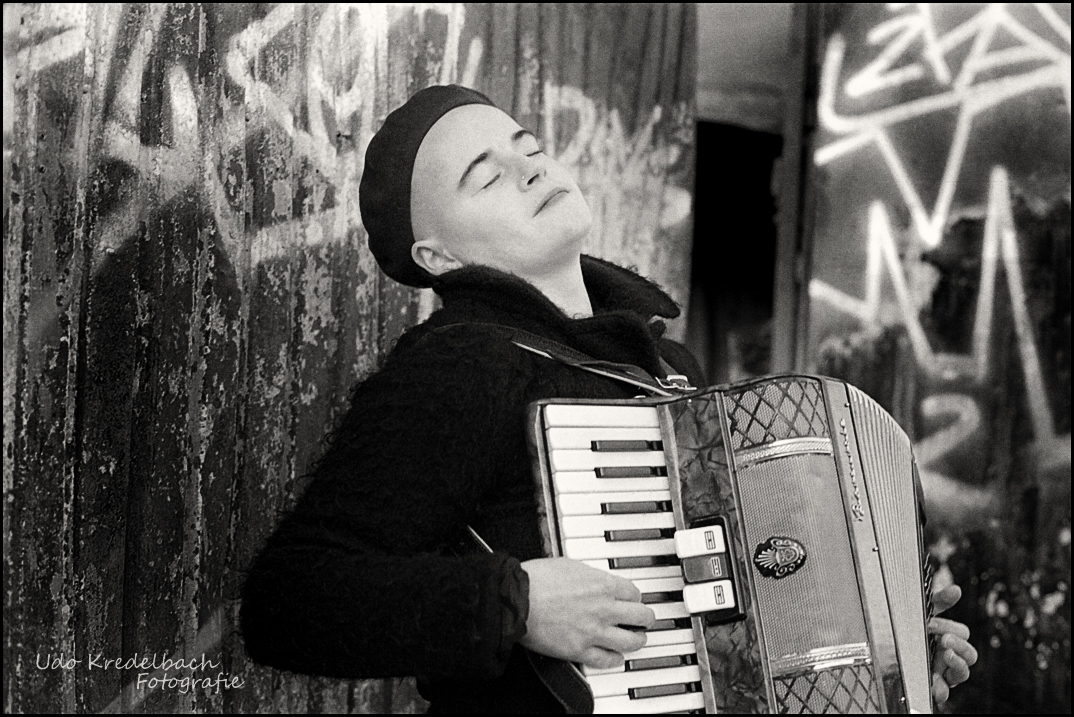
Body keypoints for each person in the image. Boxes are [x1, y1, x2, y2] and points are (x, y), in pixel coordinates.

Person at [239, 85, 976, 713]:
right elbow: (288, 601)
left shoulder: (668, 367)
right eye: (484, 177)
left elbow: (738, 612)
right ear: (440, 257)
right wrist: (515, 600)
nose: (527, 169)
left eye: (527, 147)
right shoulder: (462, 367)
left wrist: (889, 647)